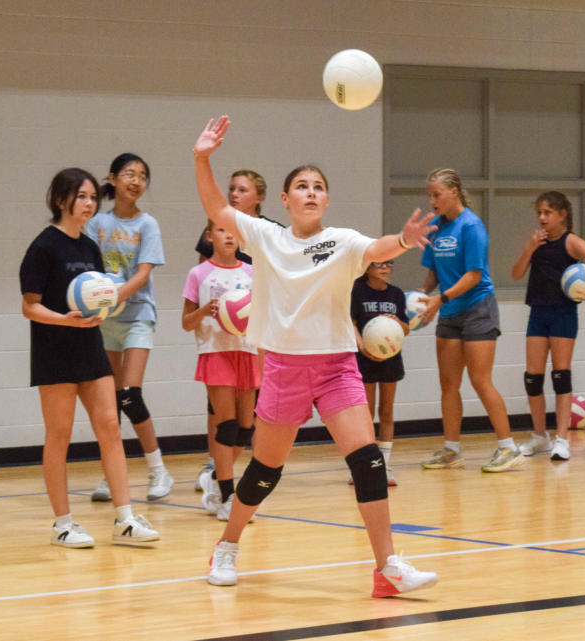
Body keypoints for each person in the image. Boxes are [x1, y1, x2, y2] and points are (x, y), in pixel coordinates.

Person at [194, 116, 439, 597]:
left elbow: (378, 247)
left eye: (318, 187)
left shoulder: (343, 241)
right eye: (301, 186)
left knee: (367, 462)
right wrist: (202, 157)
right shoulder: (265, 236)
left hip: (337, 367)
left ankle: (387, 568)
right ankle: (226, 545)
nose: (310, 192)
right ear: (284, 200)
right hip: (284, 369)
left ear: (327, 200)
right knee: (265, 472)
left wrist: (406, 240)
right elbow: (217, 208)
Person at [19, 168, 159, 547]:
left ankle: (125, 519)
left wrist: (103, 310)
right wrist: (63, 320)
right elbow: (29, 307)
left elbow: (96, 294)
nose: (90, 204)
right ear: (62, 200)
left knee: (110, 427)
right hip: (54, 351)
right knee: (59, 436)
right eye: (82, 197)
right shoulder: (43, 247)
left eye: (93, 198)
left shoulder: (89, 247)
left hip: (89, 347)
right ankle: (62, 523)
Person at [417, 168, 524, 473]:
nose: (433, 200)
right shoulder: (436, 228)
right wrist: (422, 295)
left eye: (437, 194)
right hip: (450, 312)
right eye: (430, 195)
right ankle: (452, 451)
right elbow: (434, 272)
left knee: (480, 380)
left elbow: (474, 275)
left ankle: (508, 448)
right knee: (449, 385)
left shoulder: (471, 226)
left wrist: (441, 298)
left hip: (478, 309)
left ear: (454, 192)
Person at [84, 153, 173, 502]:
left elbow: (143, 273)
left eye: (142, 176)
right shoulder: (97, 223)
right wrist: (95, 303)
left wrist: (113, 297)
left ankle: (158, 470)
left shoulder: (147, 225)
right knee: (108, 401)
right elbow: (87, 270)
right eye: (129, 174)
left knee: (129, 395)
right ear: (113, 178)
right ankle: (112, 474)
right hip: (104, 321)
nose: (136, 181)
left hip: (137, 315)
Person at [193, 169, 281, 491]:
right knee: (219, 409)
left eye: (242, 190)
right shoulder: (219, 225)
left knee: (252, 407)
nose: (233, 194)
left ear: (259, 197)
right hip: (220, 339)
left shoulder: (270, 232)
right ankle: (217, 468)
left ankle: (241, 464)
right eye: (231, 188)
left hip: (257, 333)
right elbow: (204, 277)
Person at [511, 191, 585, 460]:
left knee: (561, 376)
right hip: (538, 314)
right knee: (532, 379)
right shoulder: (537, 241)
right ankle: (539, 437)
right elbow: (516, 273)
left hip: (563, 314)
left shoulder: (571, 242)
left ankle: (562, 440)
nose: (542, 218)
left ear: (562, 215)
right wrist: (530, 247)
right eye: (539, 213)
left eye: (548, 213)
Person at [183, 219, 260, 520]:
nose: (229, 236)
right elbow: (186, 322)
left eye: (233, 231)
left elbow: (262, 317)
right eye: (221, 230)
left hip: (247, 352)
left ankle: (215, 478)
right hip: (215, 352)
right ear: (209, 236)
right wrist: (205, 310)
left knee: (245, 429)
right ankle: (228, 497)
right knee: (225, 427)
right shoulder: (198, 274)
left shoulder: (253, 273)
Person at [351, 260, 410, 486]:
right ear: (367, 267)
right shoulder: (357, 289)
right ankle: (363, 465)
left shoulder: (396, 294)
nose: (385, 268)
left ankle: (384, 466)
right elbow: (350, 323)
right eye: (379, 265)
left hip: (390, 359)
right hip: (364, 357)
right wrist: (363, 348)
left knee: (386, 411)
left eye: (389, 264)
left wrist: (398, 324)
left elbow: (405, 329)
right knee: (365, 412)